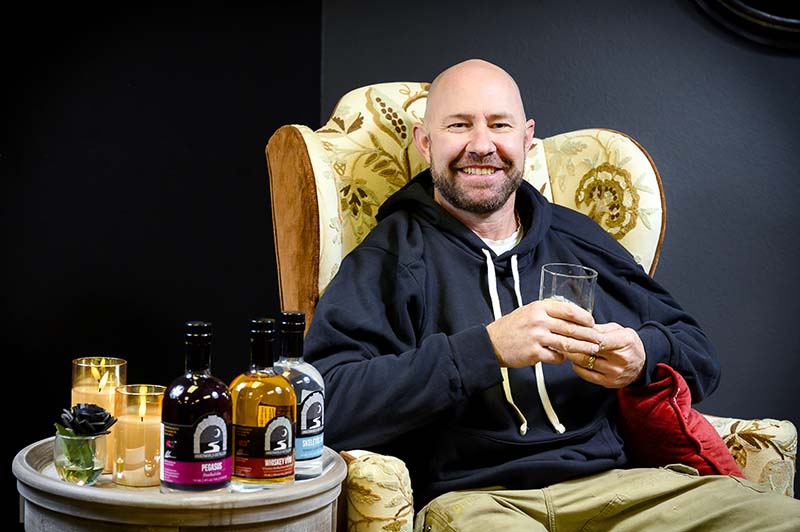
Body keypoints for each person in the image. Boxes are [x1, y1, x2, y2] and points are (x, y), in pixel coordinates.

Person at [303, 59, 799, 530]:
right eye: (458, 126)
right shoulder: (390, 256)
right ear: (425, 143)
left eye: (499, 125)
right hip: (479, 500)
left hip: (623, 489)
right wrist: (486, 349)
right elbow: (328, 401)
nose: (482, 144)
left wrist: (641, 354)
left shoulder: (577, 238)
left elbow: (698, 351)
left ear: (527, 138)